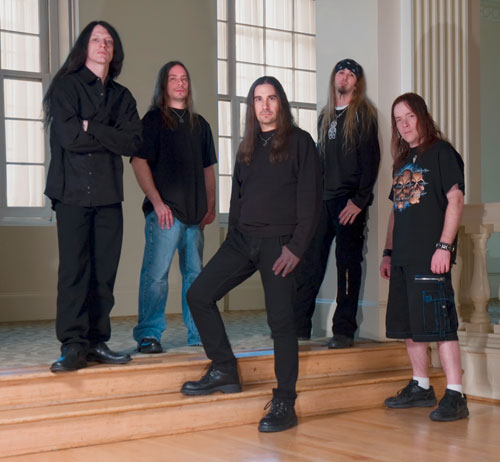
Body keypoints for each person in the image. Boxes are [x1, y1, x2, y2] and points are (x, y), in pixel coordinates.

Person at [180, 76, 321, 433]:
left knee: (281, 323)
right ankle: (224, 368)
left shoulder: (301, 143)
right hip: (243, 241)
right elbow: (237, 200)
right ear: (252, 107)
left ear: (281, 103)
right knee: (198, 295)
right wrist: (232, 241)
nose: (265, 105)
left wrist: (296, 248)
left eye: (271, 98)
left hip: (280, 245)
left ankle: (285, 401)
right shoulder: (247, 147)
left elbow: (311, 203)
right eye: (258, 99)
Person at [43, 21, 142, 372]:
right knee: (74, 270)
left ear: (114, 52)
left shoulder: (122, 97)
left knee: (104, 273)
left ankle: (97, 342)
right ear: (85, 46)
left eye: (109, 41)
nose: (103, 44)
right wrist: (108, 134)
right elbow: (70, 139)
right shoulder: (65, 87)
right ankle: (73, 344)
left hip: (108, 196)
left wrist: (91, 126)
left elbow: (133, 142)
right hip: (70, 193)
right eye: (97, 39)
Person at [380, 92, 469, 422]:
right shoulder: (402, 162)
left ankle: (456, 394)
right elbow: (396, 211)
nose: (404, 125)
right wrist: (388, 252)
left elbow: (455, 199)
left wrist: (444, 246)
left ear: (422, 116)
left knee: (440, 326)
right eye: (398, 120)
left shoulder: (442, 152)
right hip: (403, 259)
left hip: (431, 256)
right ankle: (421, 386)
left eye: (409, 117)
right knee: (410, 328)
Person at [293, 59, 380, 347]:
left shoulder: (363, 115)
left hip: (349, 202)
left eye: (351, 74)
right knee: (309, 262)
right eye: (341, 72)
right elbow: (320, 161)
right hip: (323, 200)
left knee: (347, 265)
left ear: (357, 83)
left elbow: (371, 160)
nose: (344, 77)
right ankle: (298, 326)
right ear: (334, 78)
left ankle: (343, 331)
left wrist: (359, 200)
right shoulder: (325, 116)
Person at [131, 61, 217, 352]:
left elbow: (208, 169)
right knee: (156, 277)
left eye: (184, 78)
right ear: (163, 85)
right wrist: (157, 203)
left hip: (195, 216)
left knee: (195, 277)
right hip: (165, 215)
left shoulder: (200, 125)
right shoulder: (153, 120)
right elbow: (138, 161)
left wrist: (210, 205)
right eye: (173, 78)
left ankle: (198, 333)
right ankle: (149, 334)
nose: (180, 83)